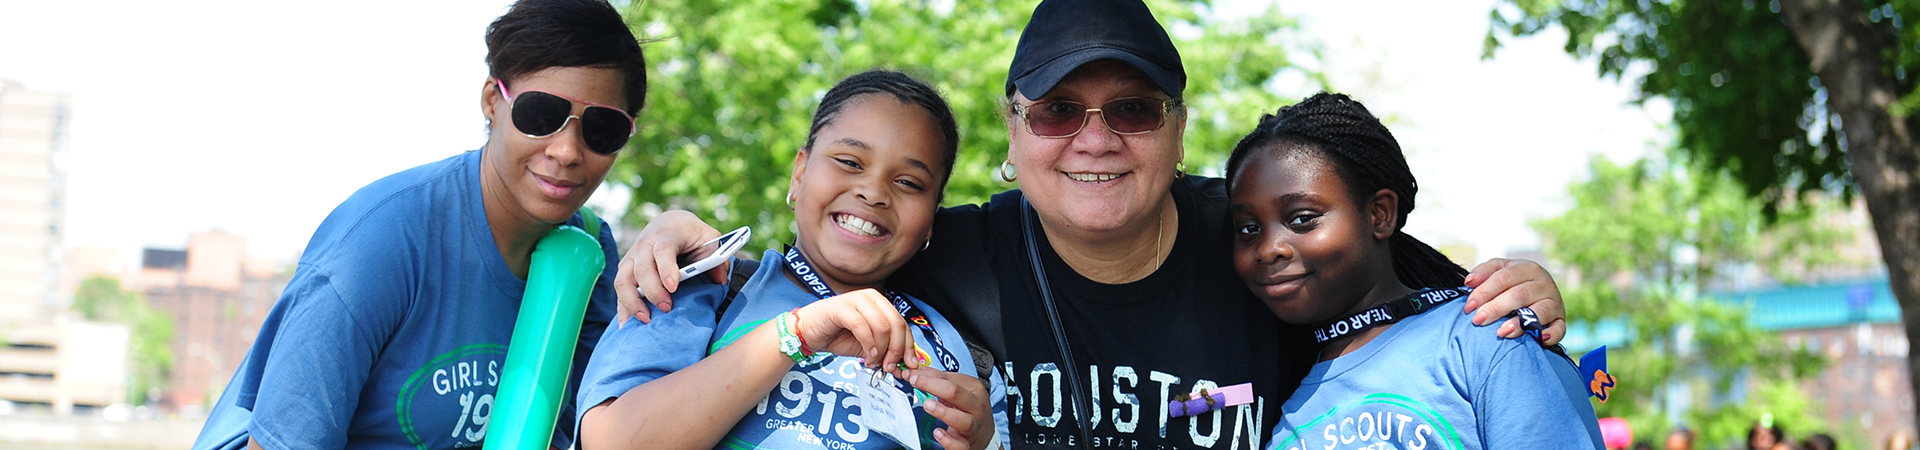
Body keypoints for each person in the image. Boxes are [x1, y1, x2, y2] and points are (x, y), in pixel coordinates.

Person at [616, 1, 1571, 448]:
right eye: (1060, 111)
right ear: (1015, 128)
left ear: (1178, 129)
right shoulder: (956, 250)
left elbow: (1418, 299)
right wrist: (677, 229)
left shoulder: (1256, 246)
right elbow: (842, 230)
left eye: (1134, 109)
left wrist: (1525, 289)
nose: (1095, 139)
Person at [189, 1, 644, 448]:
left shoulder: (588, 250)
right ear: (492, 101)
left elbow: (587, 429)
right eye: (540, 114)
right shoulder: (379, 242)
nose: (566, 151)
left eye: (602, 128)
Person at [574, 70, 1000, 450]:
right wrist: (798, 332)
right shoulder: (702, 282)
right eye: (849, 162)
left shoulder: (965, 359)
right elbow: (610, 441)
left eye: (908, 182)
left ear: (931, 219)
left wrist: (987, 444)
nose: (873, 192)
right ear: (799, 174)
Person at [1227, 92, 1603, 449]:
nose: (1268, 248)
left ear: (1380, 214)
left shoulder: (1488, 338)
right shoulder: (1289, 416)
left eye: (1303, 218)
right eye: (1247, 228)